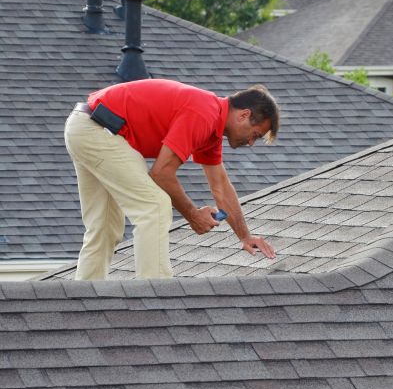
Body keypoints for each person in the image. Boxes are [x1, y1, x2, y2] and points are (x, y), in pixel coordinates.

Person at [64, 78, 280, 280]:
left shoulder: (212, 127)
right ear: (243, 115)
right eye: (255, 135)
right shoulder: (204, 113)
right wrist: (193, 215)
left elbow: (221, 186)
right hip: (98, 131)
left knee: (104, 228)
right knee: (155, 206)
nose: (251, 143)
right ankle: (156, 299)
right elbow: (161, 174)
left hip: (85, 127)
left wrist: (245, 237)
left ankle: (84, 297)